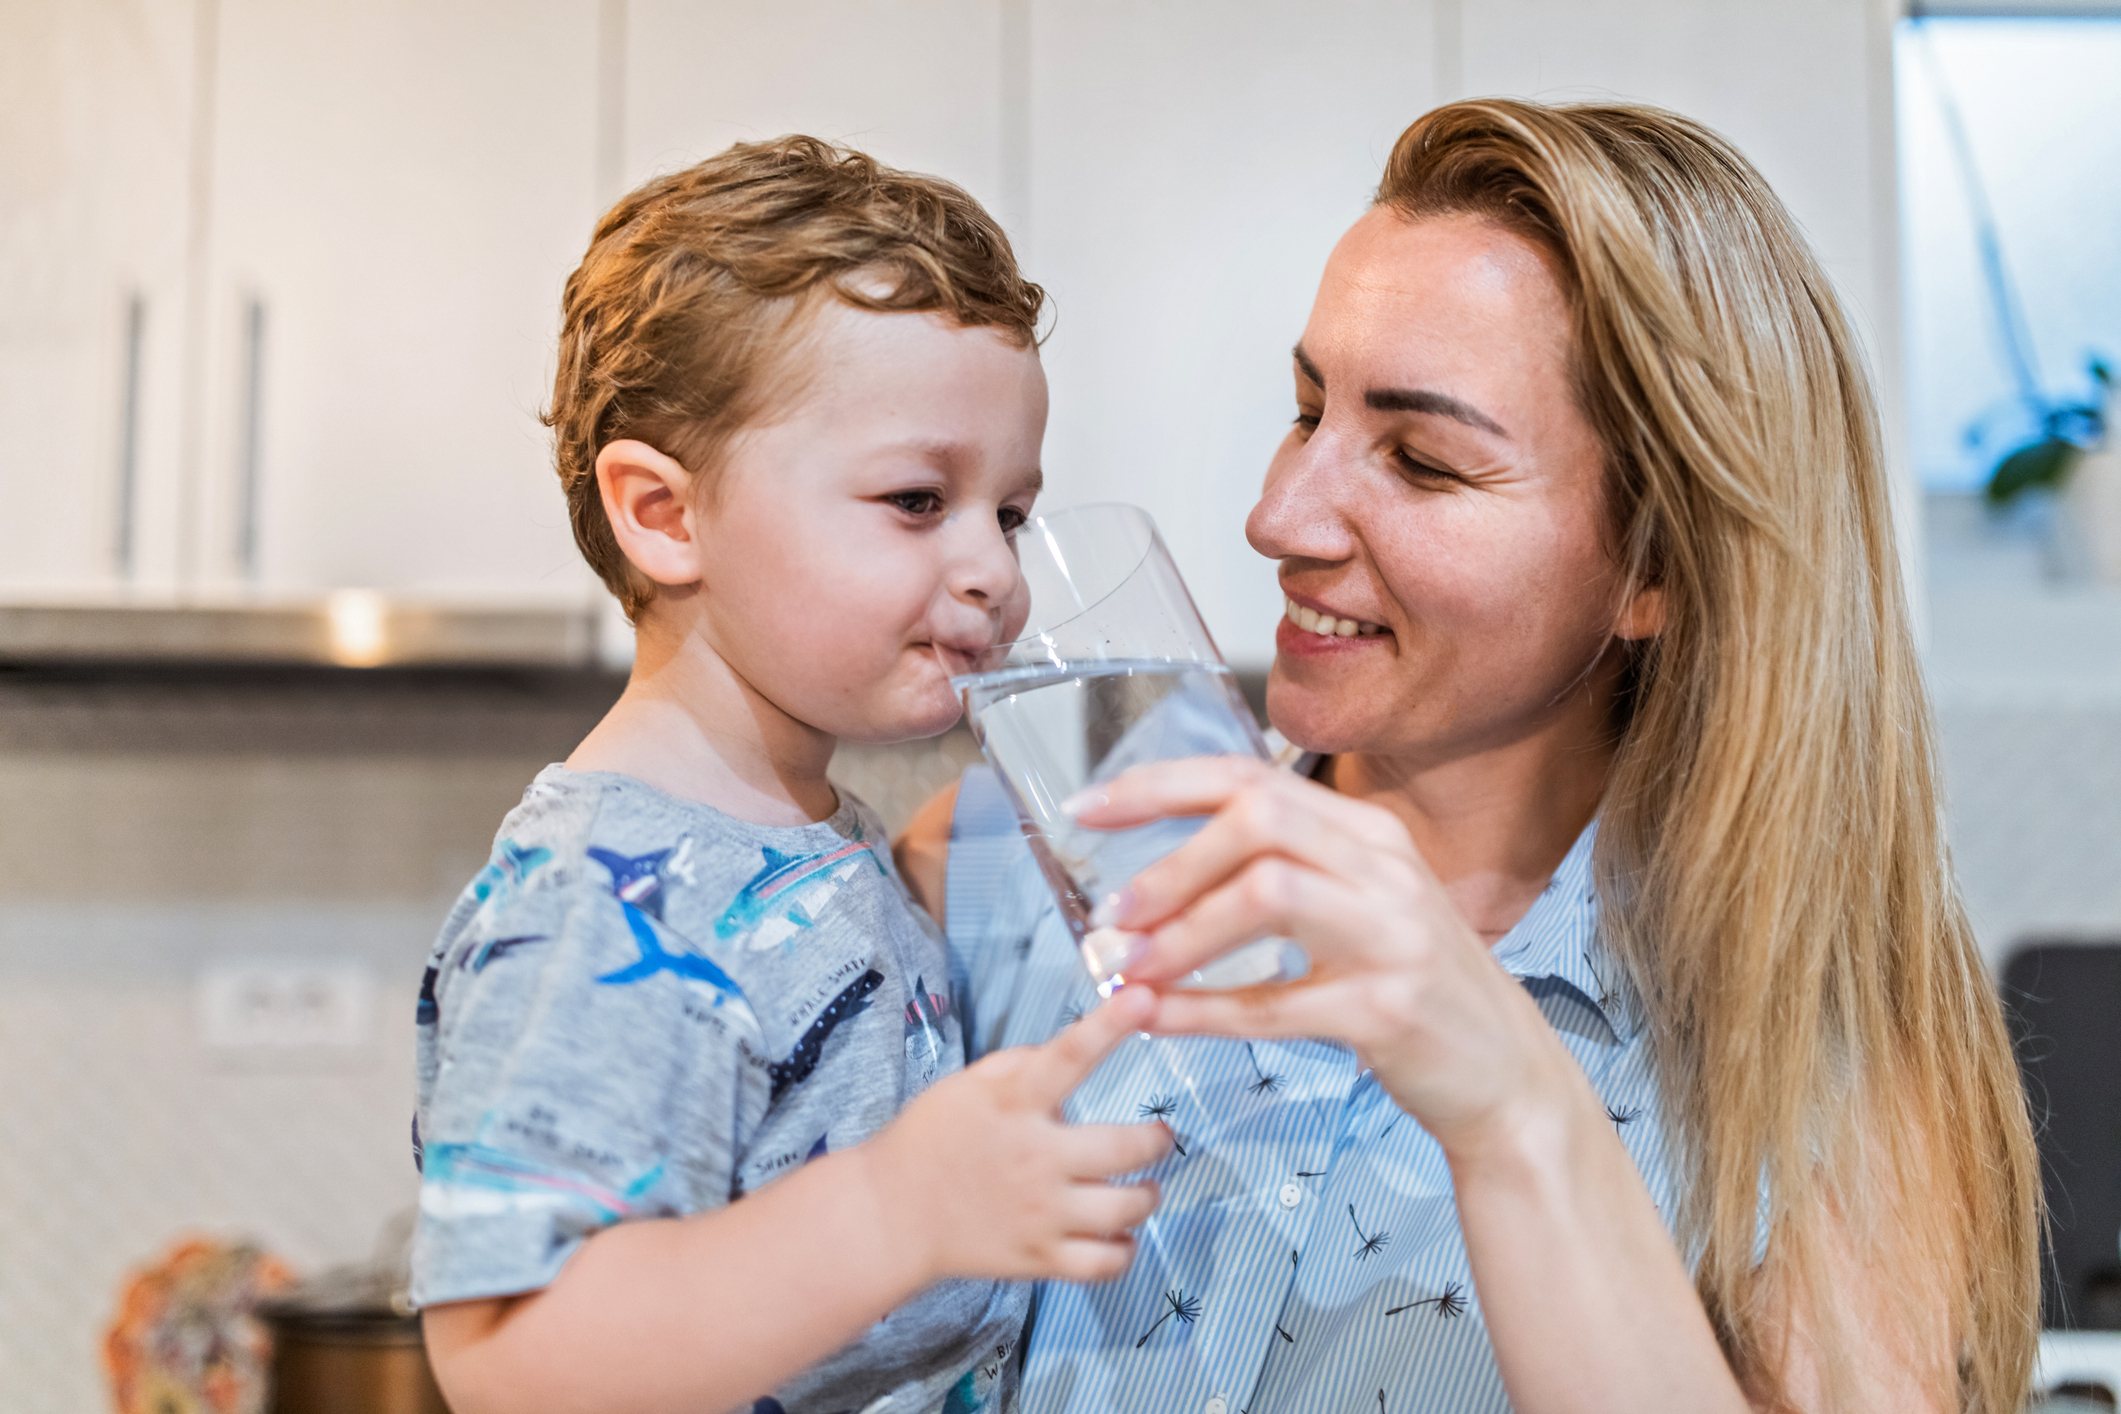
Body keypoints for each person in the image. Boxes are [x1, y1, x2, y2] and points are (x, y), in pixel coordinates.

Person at [900, 100, 2039, 1413]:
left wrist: (1512, 1107)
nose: (1277, 515)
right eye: (1304, 408)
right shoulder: (1012, 867)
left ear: (1657, 568)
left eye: (1423, 461)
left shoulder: (1819, 1078)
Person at [410, 136, 1171, 1414]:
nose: (997, 571)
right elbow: (511, 1360)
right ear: (665, 515)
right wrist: (899, 1207)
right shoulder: (608, 894)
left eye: (1013, 511)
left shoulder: (811, 830)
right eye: (920, 499)